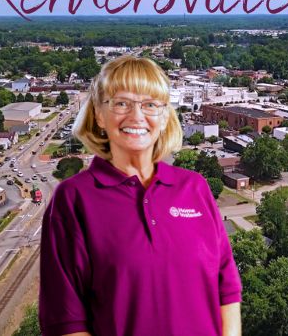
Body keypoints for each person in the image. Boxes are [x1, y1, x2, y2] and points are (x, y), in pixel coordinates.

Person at [40, 56, 242, 336]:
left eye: (150, 105)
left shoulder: (194, 188)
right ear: (99, 114)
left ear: (164, 115)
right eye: (122, 103)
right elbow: (65, 321)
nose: (137, 116)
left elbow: (227, 289)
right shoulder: (74, 199)